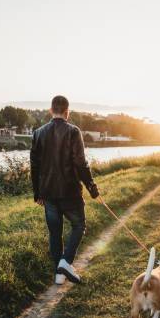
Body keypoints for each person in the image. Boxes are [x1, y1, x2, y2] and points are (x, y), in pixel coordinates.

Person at [30, 95, 99, 285]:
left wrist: (38, 193)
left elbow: (34, 166)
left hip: (48, 194)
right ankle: (66, 262)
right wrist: (91, 186)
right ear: (67, 112)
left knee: (55, 233)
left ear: (51, 110)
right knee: (79, 226)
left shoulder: (38, 133)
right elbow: (81, 163)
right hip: (70, 192)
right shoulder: (73, 131)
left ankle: (59, 275)